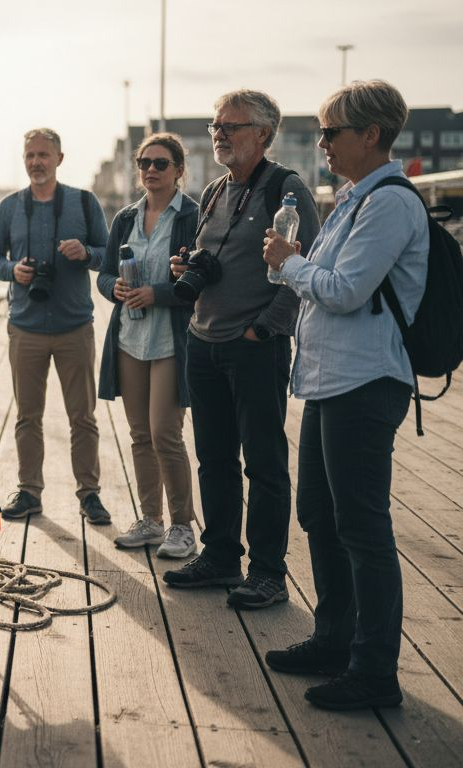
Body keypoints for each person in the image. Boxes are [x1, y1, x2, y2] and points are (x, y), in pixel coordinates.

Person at [260, 80, 427, 710]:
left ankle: (374, 670)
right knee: (321, 517)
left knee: (361, 524)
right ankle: (333, 639)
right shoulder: (355, 197)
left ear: (371, 135)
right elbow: (325, 281)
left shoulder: (390, 204)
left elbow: (345, 288)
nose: (322, 142)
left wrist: (292, 262)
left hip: (366, 381)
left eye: (331, 131)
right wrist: (301, 264)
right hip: (333, 380)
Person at [162, 90, 319, 610]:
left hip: (253, 347)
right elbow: (213, 258)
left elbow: (303, 274)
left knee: (265, 463)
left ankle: (269, 572)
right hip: (203, 341)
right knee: (214, 458)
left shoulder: (286, 190)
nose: (220, 134)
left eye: (232, 126)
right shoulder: (213, 191)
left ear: (264, 134)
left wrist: (264, 330)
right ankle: (221, 556)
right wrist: (187, 269)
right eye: (216, 125)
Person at [0, 129, 111, 525]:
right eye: (30, 155)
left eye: (44, 155)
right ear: (24, 159)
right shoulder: (9, 206)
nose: (36, 162)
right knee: (27, 416)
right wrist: (13, 271)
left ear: (59, 158)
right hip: (26, 326)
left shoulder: (84, 203)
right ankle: (29, 491)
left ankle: (89, 494)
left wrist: (85, 252)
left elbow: (108, 255)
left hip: (74, 325)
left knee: (82, 417)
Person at [95, 133, 198, 559]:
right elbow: (102, 276)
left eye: (160, 163)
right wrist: (115, 287)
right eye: (145, 163)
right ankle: (151, 520)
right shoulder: (125, 218)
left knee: (164, 433)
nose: (151, 171)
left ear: (178, 170)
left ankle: (182, 527)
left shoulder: (192, 216)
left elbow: (200, 281)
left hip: (171, 341)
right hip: (129, 340)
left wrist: (159, 292)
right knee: (139, 435)